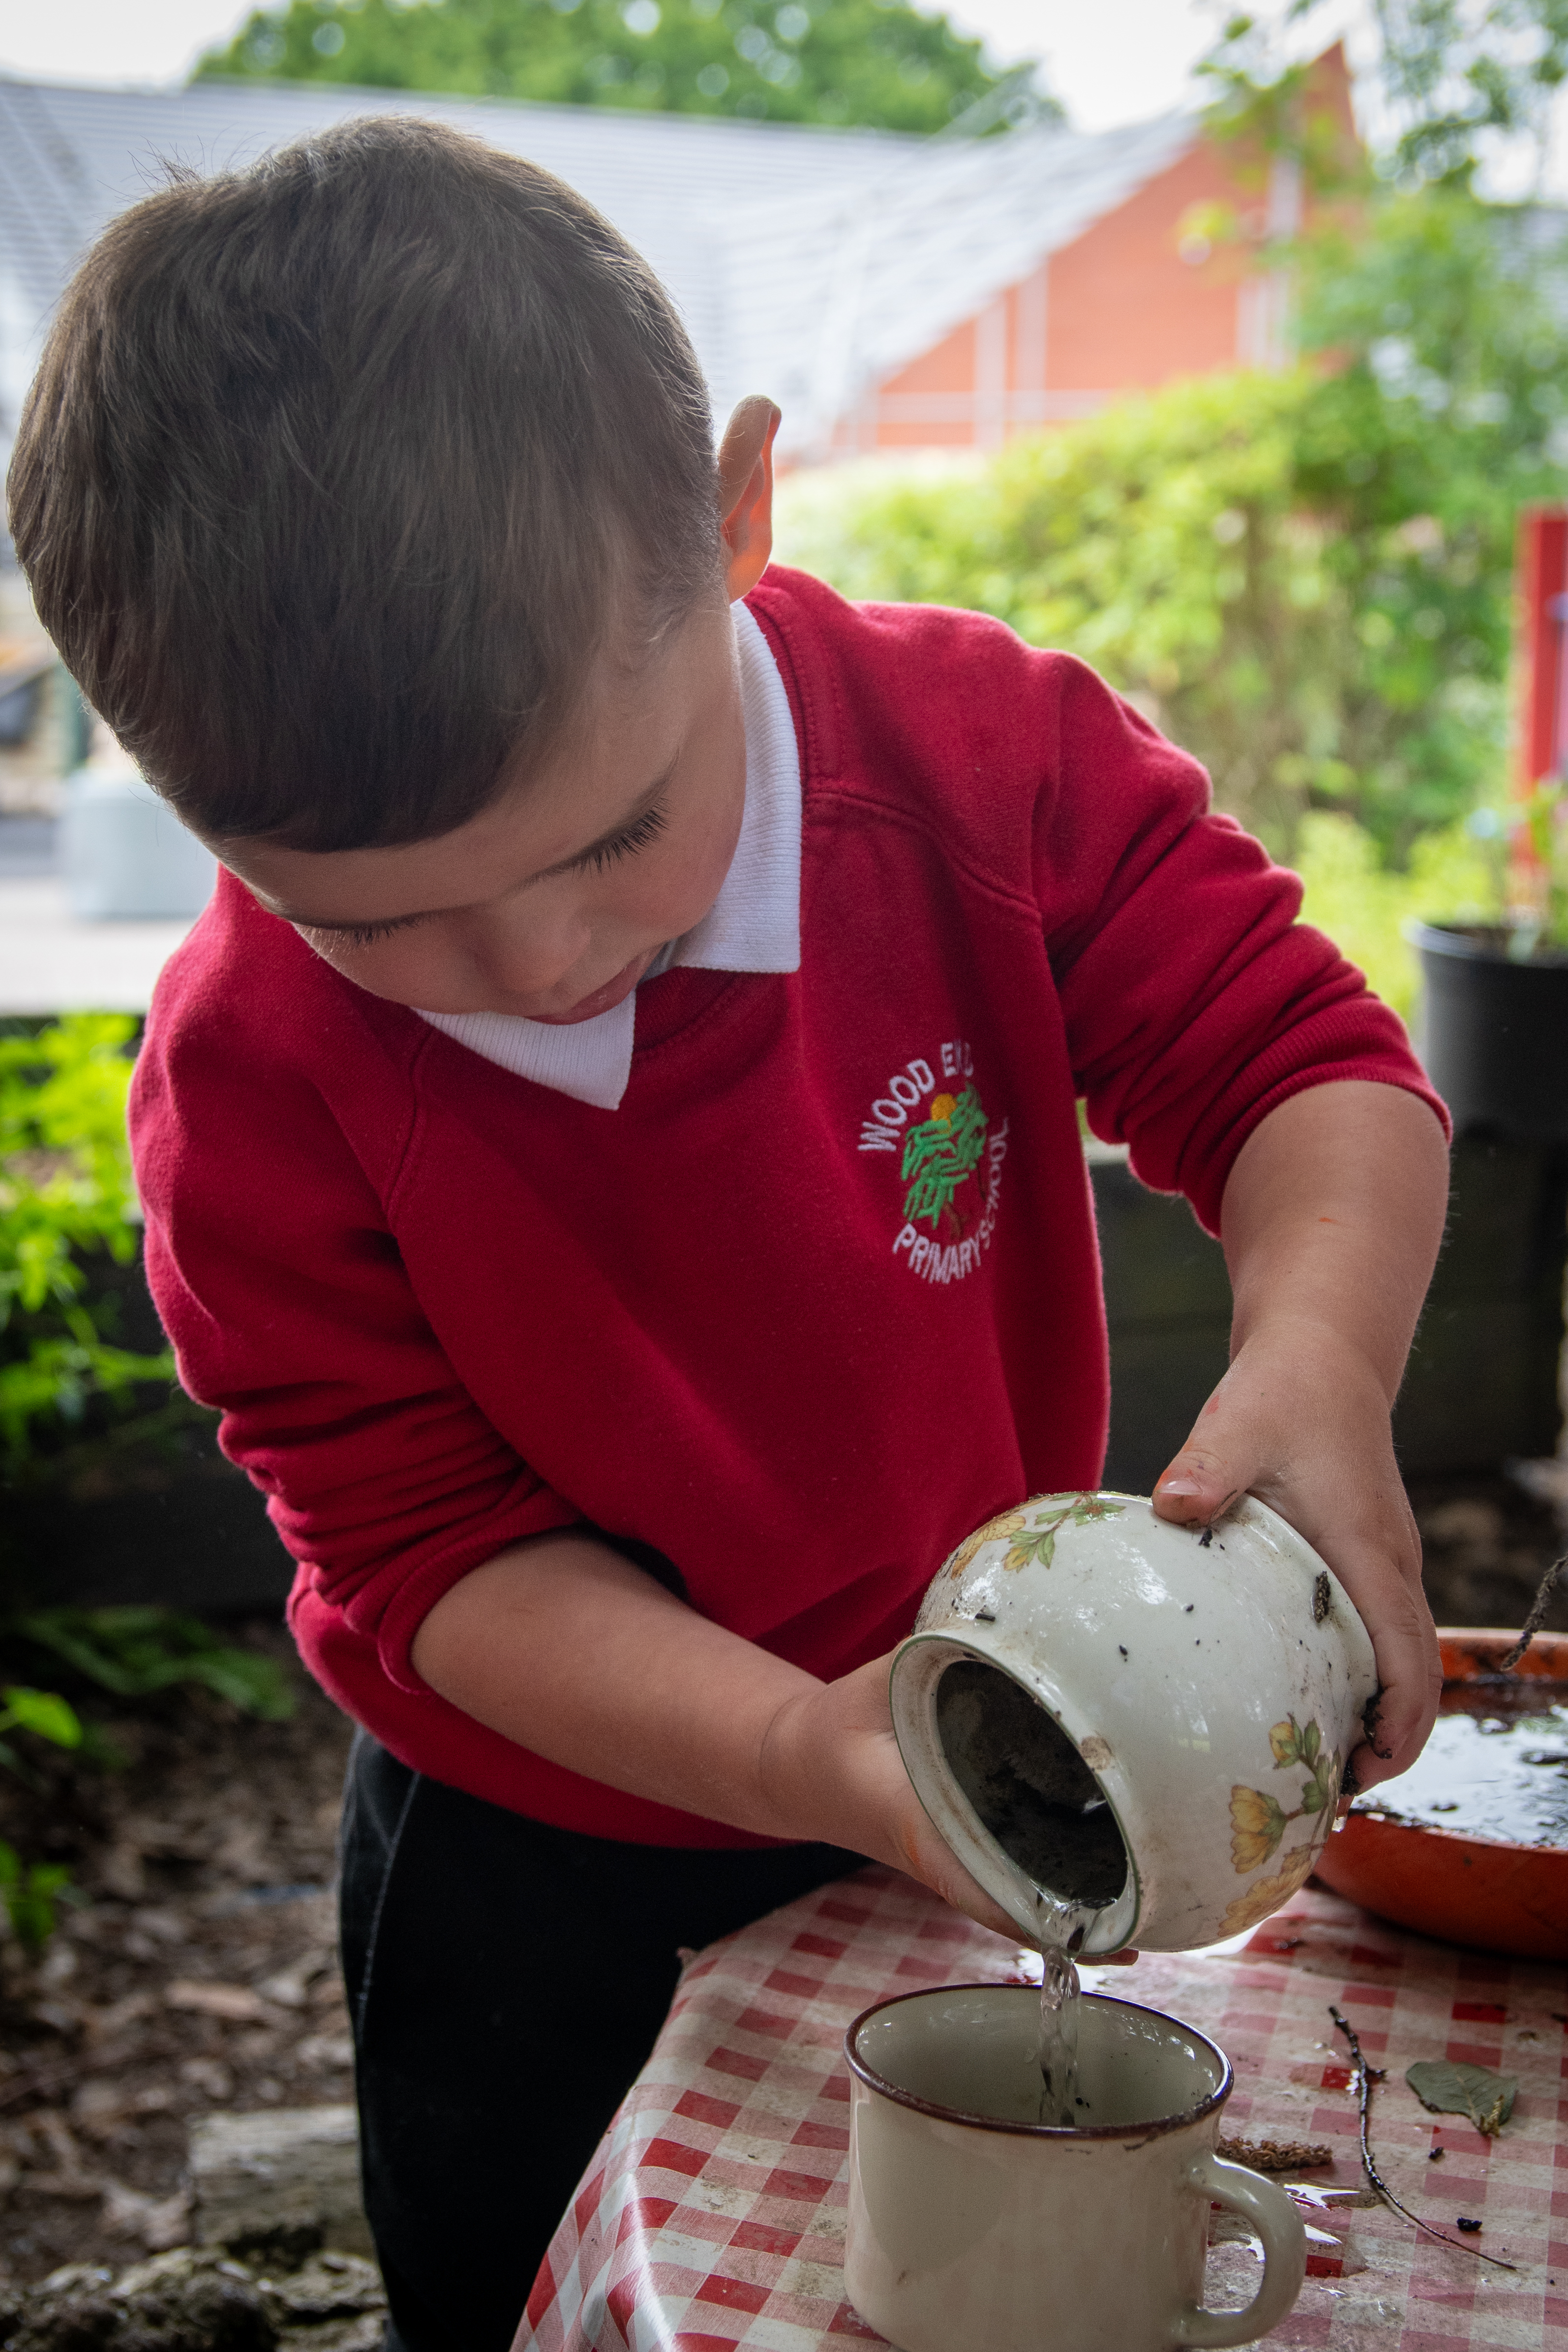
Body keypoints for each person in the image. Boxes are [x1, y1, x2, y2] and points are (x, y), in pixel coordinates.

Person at [8, 116, 1449, 2352]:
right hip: (540, 1854)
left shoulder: (971, 760)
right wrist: (797, 1753)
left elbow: (1301, 1059)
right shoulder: (252, 1083)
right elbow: (419, 1549)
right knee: (539, 2297)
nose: (531, 959)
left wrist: (1324, 1359)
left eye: (614, 837)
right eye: (372, 917)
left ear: (735, 518)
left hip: (994, 1728)